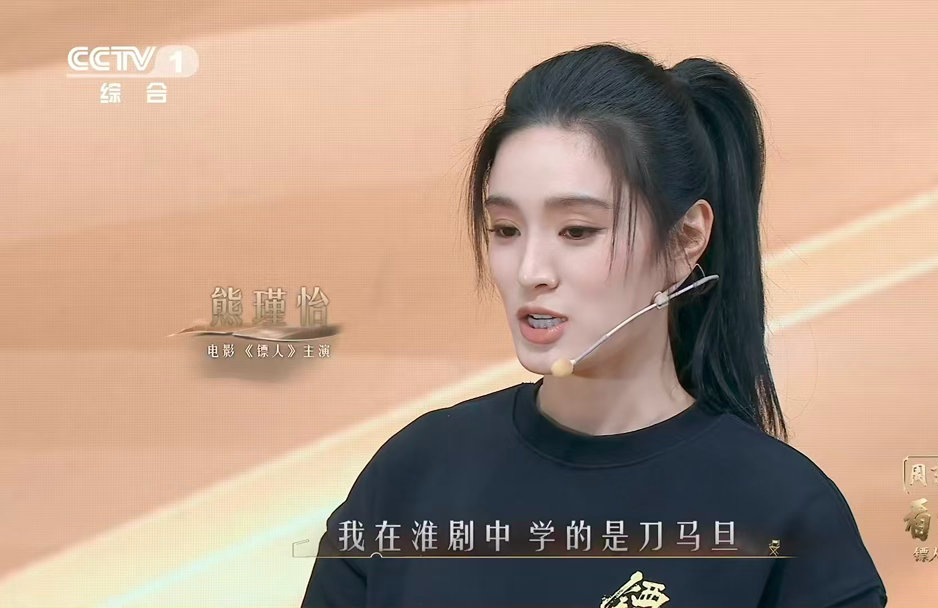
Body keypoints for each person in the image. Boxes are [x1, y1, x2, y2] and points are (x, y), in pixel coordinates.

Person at [302, 42, 887, 607]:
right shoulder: (414, 473)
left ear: (685, 241)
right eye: (506, 230)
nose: (531, 271)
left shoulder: (786, 514)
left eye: (577, 231)